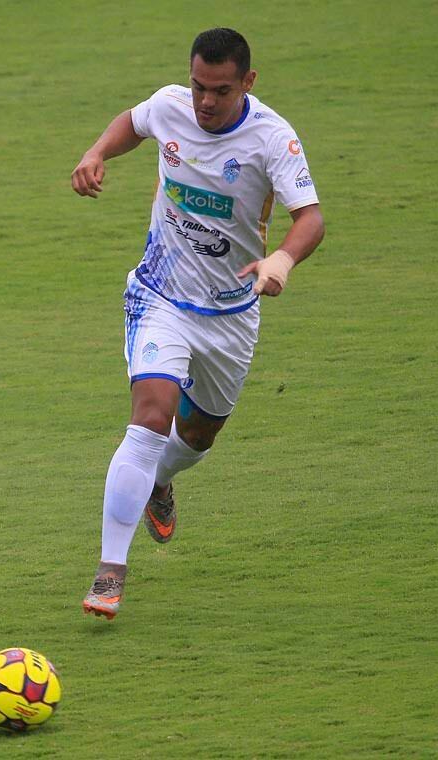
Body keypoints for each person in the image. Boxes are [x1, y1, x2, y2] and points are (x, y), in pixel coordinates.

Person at [70, 28, 325, 620]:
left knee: (198, 435)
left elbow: (310, 218)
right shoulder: (170, 106)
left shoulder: (272, 139)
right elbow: (133, 122)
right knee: (150, 417)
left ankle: (160, 481)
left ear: (248, 82)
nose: (206, 101)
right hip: (160, 296)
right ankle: (110, 571)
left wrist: (281, 260)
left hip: (232, 314)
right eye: (198, 86)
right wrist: (96, 153)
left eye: (221, 90)